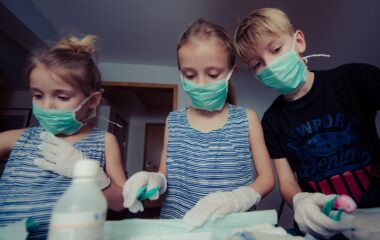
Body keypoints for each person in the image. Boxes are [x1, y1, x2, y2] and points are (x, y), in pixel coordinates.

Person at [234, 7, 380, 239]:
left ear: (299, 41)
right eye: (257, 64)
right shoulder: (272, 121)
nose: (270, 65)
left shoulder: (354, 79)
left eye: (276, 49)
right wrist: (301, 201)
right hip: (321, 223)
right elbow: (287, 182)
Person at [123, 18, 275, 228]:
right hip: (180, 227)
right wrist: (153, 180)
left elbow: (267, 177)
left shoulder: (247, 119)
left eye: (213, 74)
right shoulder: (174, 121)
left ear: (231, 72)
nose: (201, 84)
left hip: (233, 227)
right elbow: (164, 174)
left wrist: (239, 198)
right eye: (190, 75)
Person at [0, 35, 127, 239]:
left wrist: (95, 177)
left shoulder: (105, 141)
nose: (47, 106)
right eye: (38, 95)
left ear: (92, 100)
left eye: (62, 97)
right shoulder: (17, 138)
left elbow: (120, 203)